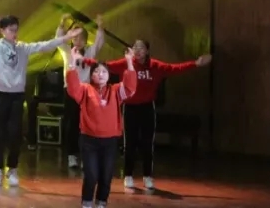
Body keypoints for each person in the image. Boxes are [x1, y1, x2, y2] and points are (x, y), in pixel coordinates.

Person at [0, 13, 81, 187]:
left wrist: (66, 37)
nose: (15, 33)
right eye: (11, 30)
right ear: (3, 30)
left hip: (16, 97)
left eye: (16, 30)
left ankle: (12, 169)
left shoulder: (23, 48)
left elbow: (45, 45)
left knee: (15, 133)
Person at [84, 39, 212, 190]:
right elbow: (105, 66)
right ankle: (128, 175)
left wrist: (195, 63)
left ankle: (148, 176)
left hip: (147, 108)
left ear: (147, 51)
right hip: (130, 108)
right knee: (130, 143)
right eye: (135, 47)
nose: (137, 50)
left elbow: (174, 68)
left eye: (141, 48)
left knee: (147, 143)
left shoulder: (155, 66)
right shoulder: (126, 63)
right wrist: (83, 60)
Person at [66, 46, 138, 208]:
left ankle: (101, 203)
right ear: (91, 75)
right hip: (89, 141)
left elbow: (130, 88)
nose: (100, 74)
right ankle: (86, 203)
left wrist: (129, 62)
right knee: (91, 175)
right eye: (97, 71)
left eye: (104, 72)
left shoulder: (116, 91)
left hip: (110, 141)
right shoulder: (85, 90)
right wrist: (72, 62)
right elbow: (72, 88)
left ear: (109, 75)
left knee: (106, 176)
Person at [56, 13, 105, 170]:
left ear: (85, 40)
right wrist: (62, 23)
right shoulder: (67, 51)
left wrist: (100, 27)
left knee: (86, 123)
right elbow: (59, 40)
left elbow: (99, 43)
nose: (77, 41)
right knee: (71, 122)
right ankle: (71, 155)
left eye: (80, 38)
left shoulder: (89, 52)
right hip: (71, 90)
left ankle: (86, 155)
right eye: (75, 38)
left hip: (85, 91)